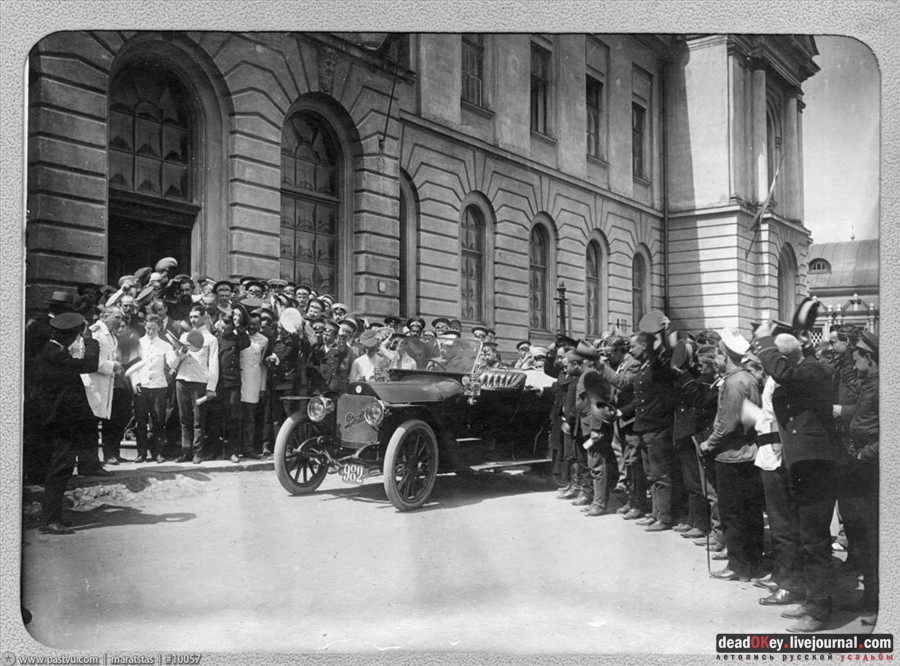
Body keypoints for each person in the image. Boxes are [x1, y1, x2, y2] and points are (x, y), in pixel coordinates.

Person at [752, 326, 846, 633]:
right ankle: (811, 598)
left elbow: (784, 374)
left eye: (775, 358)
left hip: (818, 463)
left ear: (785, 356)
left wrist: (764, 341)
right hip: (803, 464)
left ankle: (820, 610)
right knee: (808, 537)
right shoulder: (799, 374)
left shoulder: (815, 369)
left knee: (816, 540)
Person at [700, 330, 764, 580]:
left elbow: (727, 424)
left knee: (733, 513)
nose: (715, 360)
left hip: (730, 456)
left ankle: (738, 566)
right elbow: (752, 417)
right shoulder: (748, 378)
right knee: (751, 512)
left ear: (725, 356)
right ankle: (753, 564)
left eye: (717, 355)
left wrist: (708, 444)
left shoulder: (733, 382)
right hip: (749, 453)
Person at [32, 313, 101, 533]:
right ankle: (49, 520)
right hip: (62, 421)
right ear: (69, 336)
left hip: (61, 419)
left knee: (60, 467)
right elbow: (89, 363)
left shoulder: (53, 351)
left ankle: (52, 517)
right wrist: (89, 339)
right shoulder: (54, 354)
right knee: (60, 468)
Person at [838, 331, 879, 623]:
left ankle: (879, 603)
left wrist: (865, 455)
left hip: (871, 467)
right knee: (862, 535)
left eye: (857, 359)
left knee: (873, 536)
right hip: (860, 464)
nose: (854, 364)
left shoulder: (883, 387)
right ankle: (871, 597)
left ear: (870, 358)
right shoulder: (869, 383)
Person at [174, 304, 219, 464]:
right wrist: (181, 353)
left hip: (199, 381)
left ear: (204, 317)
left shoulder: (211, 339)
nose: (193, 320)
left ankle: (197, 453)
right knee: (184, 418)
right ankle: (185, 452)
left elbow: (213, 364)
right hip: (182, 379)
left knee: (198, 420)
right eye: (191, 317)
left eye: (196, 317)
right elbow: (175, 362)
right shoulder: (184, 337)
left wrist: (211, 387)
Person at [81, 306, 124, 466]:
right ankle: (89, 464)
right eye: (117, 317)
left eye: (121, 318)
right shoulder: (96, 332)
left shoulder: (110, 334)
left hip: (106, 385)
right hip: (94, 384)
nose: (120, 321)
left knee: (100, 422)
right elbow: (91, 359)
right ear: (105, 317)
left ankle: (96, 462)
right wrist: (113, 366)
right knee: (90, 425)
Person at [133, 314, 177, 463]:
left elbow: (172, 363)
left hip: (158, 387)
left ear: (159, 328)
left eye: (153, 328)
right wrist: (136, 382)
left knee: (158, 421)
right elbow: (133, 365)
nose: (150, 331)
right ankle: (141, 453)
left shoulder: (165, 345)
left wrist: (177, 353)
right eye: (147, 328)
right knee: (140, 420)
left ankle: (157, 452)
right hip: (142, 386)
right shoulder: (138, 343)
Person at [239, 310, 269, 458]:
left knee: (250, 417)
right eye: (249, 324)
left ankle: (249, 448)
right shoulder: (240, 336)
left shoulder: (264, 340)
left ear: (260, 325)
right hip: (238, 379)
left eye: (255, 324)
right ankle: (235, 448)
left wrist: (262, 387)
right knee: (236, 416)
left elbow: (263, 366)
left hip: (253, 381)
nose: (252, 327)